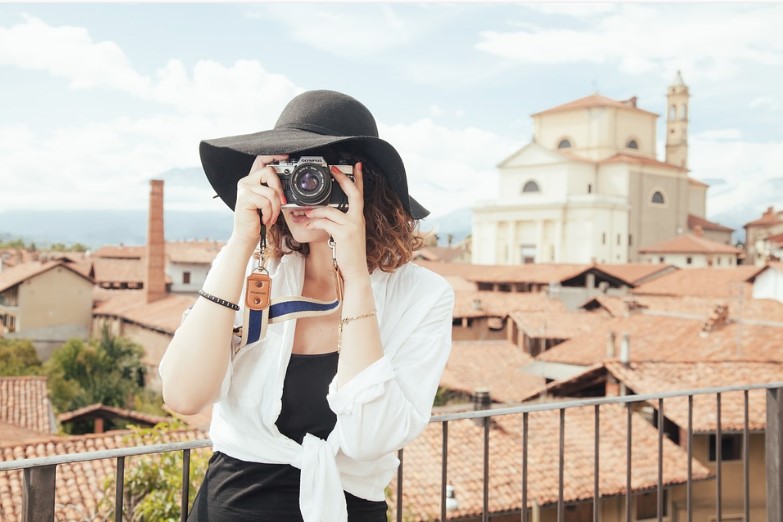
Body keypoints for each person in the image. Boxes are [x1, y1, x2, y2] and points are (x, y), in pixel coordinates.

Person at [159, 90, 454, 522]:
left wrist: (355, 277)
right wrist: (241, 240)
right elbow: (183, 395)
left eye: (317, 171)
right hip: (231, 505)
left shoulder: (423, 296)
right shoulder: (253, 271)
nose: (302, 186)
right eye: (287, 169)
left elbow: (370, 440)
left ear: (362, 182)